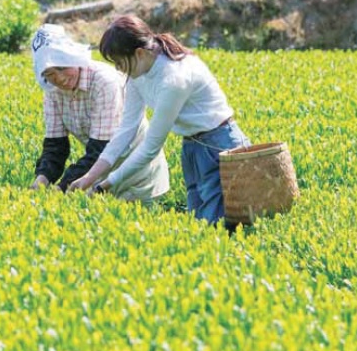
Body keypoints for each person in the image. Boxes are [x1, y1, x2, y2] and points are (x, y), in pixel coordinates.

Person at [69, 15, 250, 224]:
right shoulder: (137, 74)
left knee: (216, 225)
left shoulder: (174, 79)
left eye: (119, 62)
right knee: (200, 222)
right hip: (192, 146)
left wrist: (104, 185)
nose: (118, 69)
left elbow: (150, 148)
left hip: (218, 145)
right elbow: (126, 131)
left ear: (139, 52)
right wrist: (90, 178)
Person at [30, 24, 169, 203]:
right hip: (98, 173)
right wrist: (42, 179)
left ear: (73, 58)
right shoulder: (52, 91)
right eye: (50, 74)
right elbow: (56, 146)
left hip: (136, 172)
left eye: (63, 68)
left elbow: (100, 147)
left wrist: (62, 187)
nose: (60, 79)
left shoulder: (104, 81)